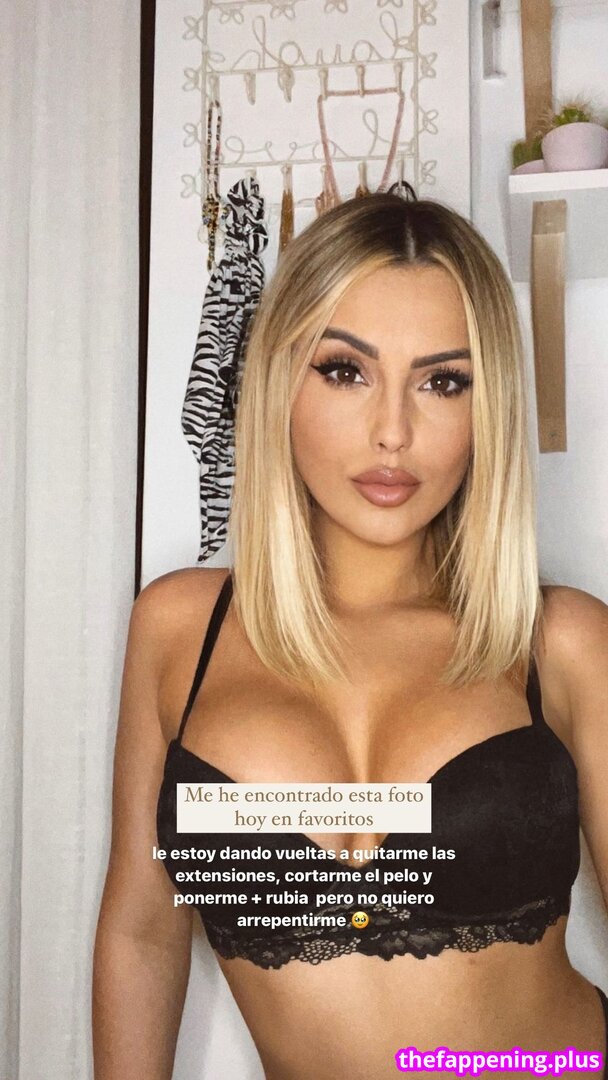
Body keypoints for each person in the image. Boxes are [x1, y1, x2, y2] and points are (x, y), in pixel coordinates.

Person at [92, 194, 608, 1080]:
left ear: (489, 407)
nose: (393, 432)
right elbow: (142, 934)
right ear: (280, 380)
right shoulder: (179, 630)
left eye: (443, 382)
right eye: (344, 370)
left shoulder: (561, 642)